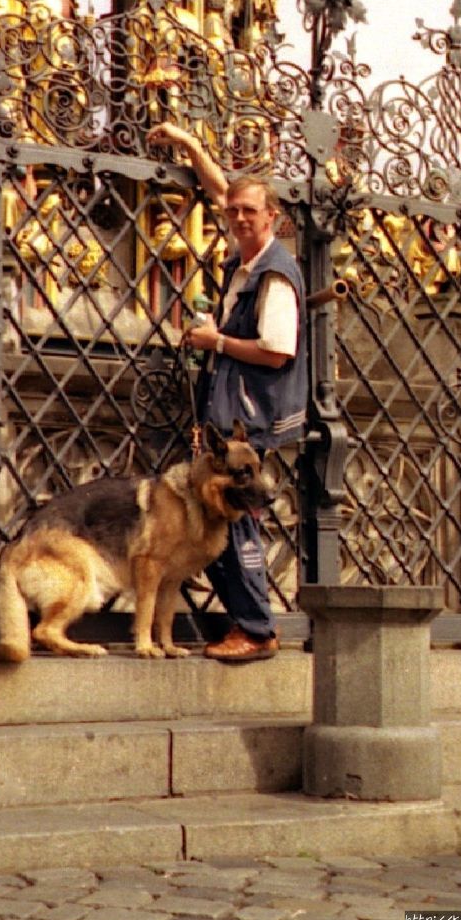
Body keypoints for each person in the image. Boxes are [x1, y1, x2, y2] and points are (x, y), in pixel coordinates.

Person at [146, 121, 307, 663]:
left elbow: (278, 350)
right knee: (218, 517)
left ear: (273, 219)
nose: (237, 217)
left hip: (253, 417)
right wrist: (192, 146)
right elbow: (222, 191)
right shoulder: (251, 258)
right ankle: (252, 624)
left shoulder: (276, 276)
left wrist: (218, 340)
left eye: (249, 213)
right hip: (234, 414)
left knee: (232, 519)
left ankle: (256, 630)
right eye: (233, 211)